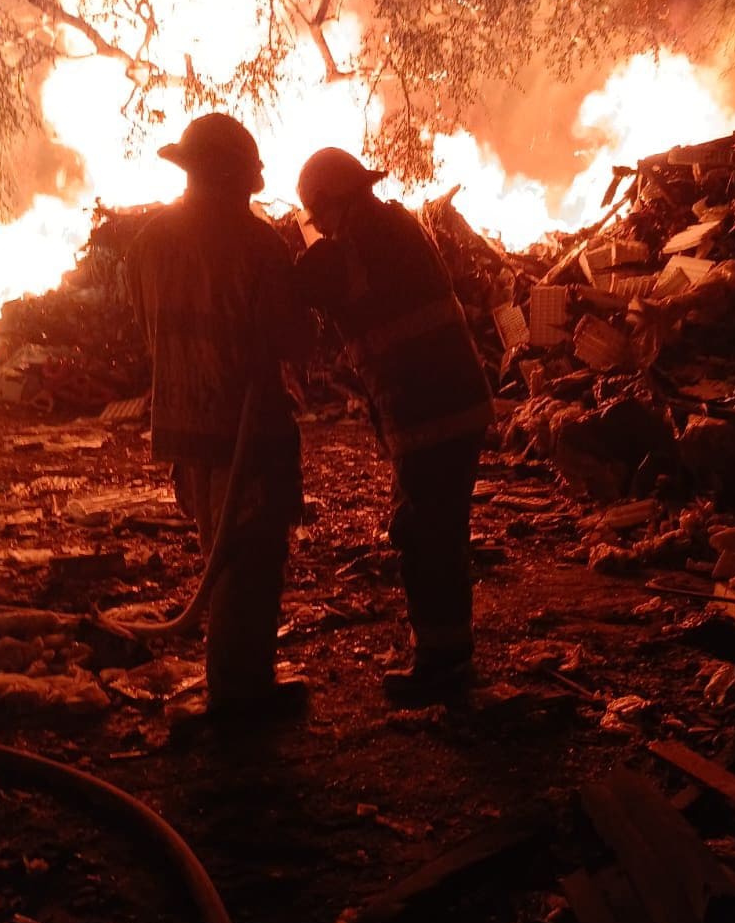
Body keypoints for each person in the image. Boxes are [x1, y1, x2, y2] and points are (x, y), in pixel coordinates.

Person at [125, 112, 312, 722]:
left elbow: (147, 327)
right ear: (237, 177)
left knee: (219, 547)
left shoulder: (149, 240)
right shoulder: (258, 245)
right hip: (246, 428)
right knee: (252, 557)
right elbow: (290, 337)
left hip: (182, 426)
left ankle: (238, 678)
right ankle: (239, 693)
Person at [295, 148, 495, 706]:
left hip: (429, 413)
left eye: (317, 215)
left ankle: (442, 665)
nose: (320, 228)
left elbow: (323, 297)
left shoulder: (358, 245)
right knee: (438, 533)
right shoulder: (394, 224)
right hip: (450, 407)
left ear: (332, 203)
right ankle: (447, 657)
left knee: (424, 535)